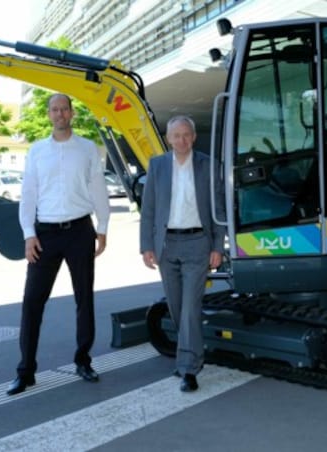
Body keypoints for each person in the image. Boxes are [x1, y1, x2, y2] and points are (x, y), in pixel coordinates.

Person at [6, 93, 110, 395]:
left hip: (80, 231)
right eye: (55, 109)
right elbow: (29, 194)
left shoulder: (88, 149)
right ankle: (25, 371)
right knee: (32, 302)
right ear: (49, 114)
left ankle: (83, 361)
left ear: (72, 113)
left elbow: (98, 188)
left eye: (64, 109)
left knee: (84, 299)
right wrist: (28, 233)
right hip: (45, 234)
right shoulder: (37, 151)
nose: (60, 113)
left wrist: (102, 227)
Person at [140, 115, 226, 393]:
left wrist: (217, 246)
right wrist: (146, 246)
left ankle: (188, 368)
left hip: (198, 243)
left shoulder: (209, 166)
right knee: (177, 307)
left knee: (190, 307)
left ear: (193, 136)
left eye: (187, 134)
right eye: (176, 135)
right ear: (168, 138)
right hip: (167, 245)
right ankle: (191, 354)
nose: (182, 140)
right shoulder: (157, 165)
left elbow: (218, 211)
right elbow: (149, 209)